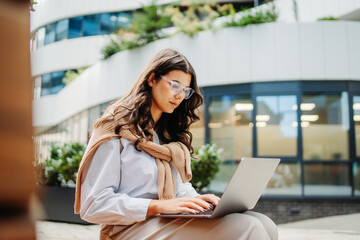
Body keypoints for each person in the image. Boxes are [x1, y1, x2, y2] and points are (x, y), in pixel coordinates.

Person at [74, 48, 278, 240]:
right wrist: (158, 206)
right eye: (175, 85)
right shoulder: (115, 129)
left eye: (186, 90)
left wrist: (198, 200)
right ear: (152, 79)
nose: (180, 95)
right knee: (249, 228)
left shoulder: (164, 133)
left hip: (163, 219)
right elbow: (93, 204)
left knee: (264, 223)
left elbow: (178, 190)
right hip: (129, 228)